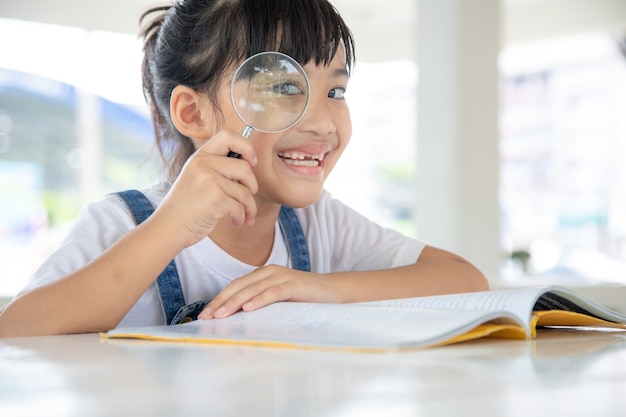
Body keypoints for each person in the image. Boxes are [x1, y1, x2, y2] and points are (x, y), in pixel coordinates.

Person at [0, 0, 488, 337]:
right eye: (281, 88)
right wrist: (168, 229)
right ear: (193, 113)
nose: (321, 122)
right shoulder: (123, 222)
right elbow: (17, 331)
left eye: (335, 92)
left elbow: (465, 280)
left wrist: (319, 288)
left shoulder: (320, 224)